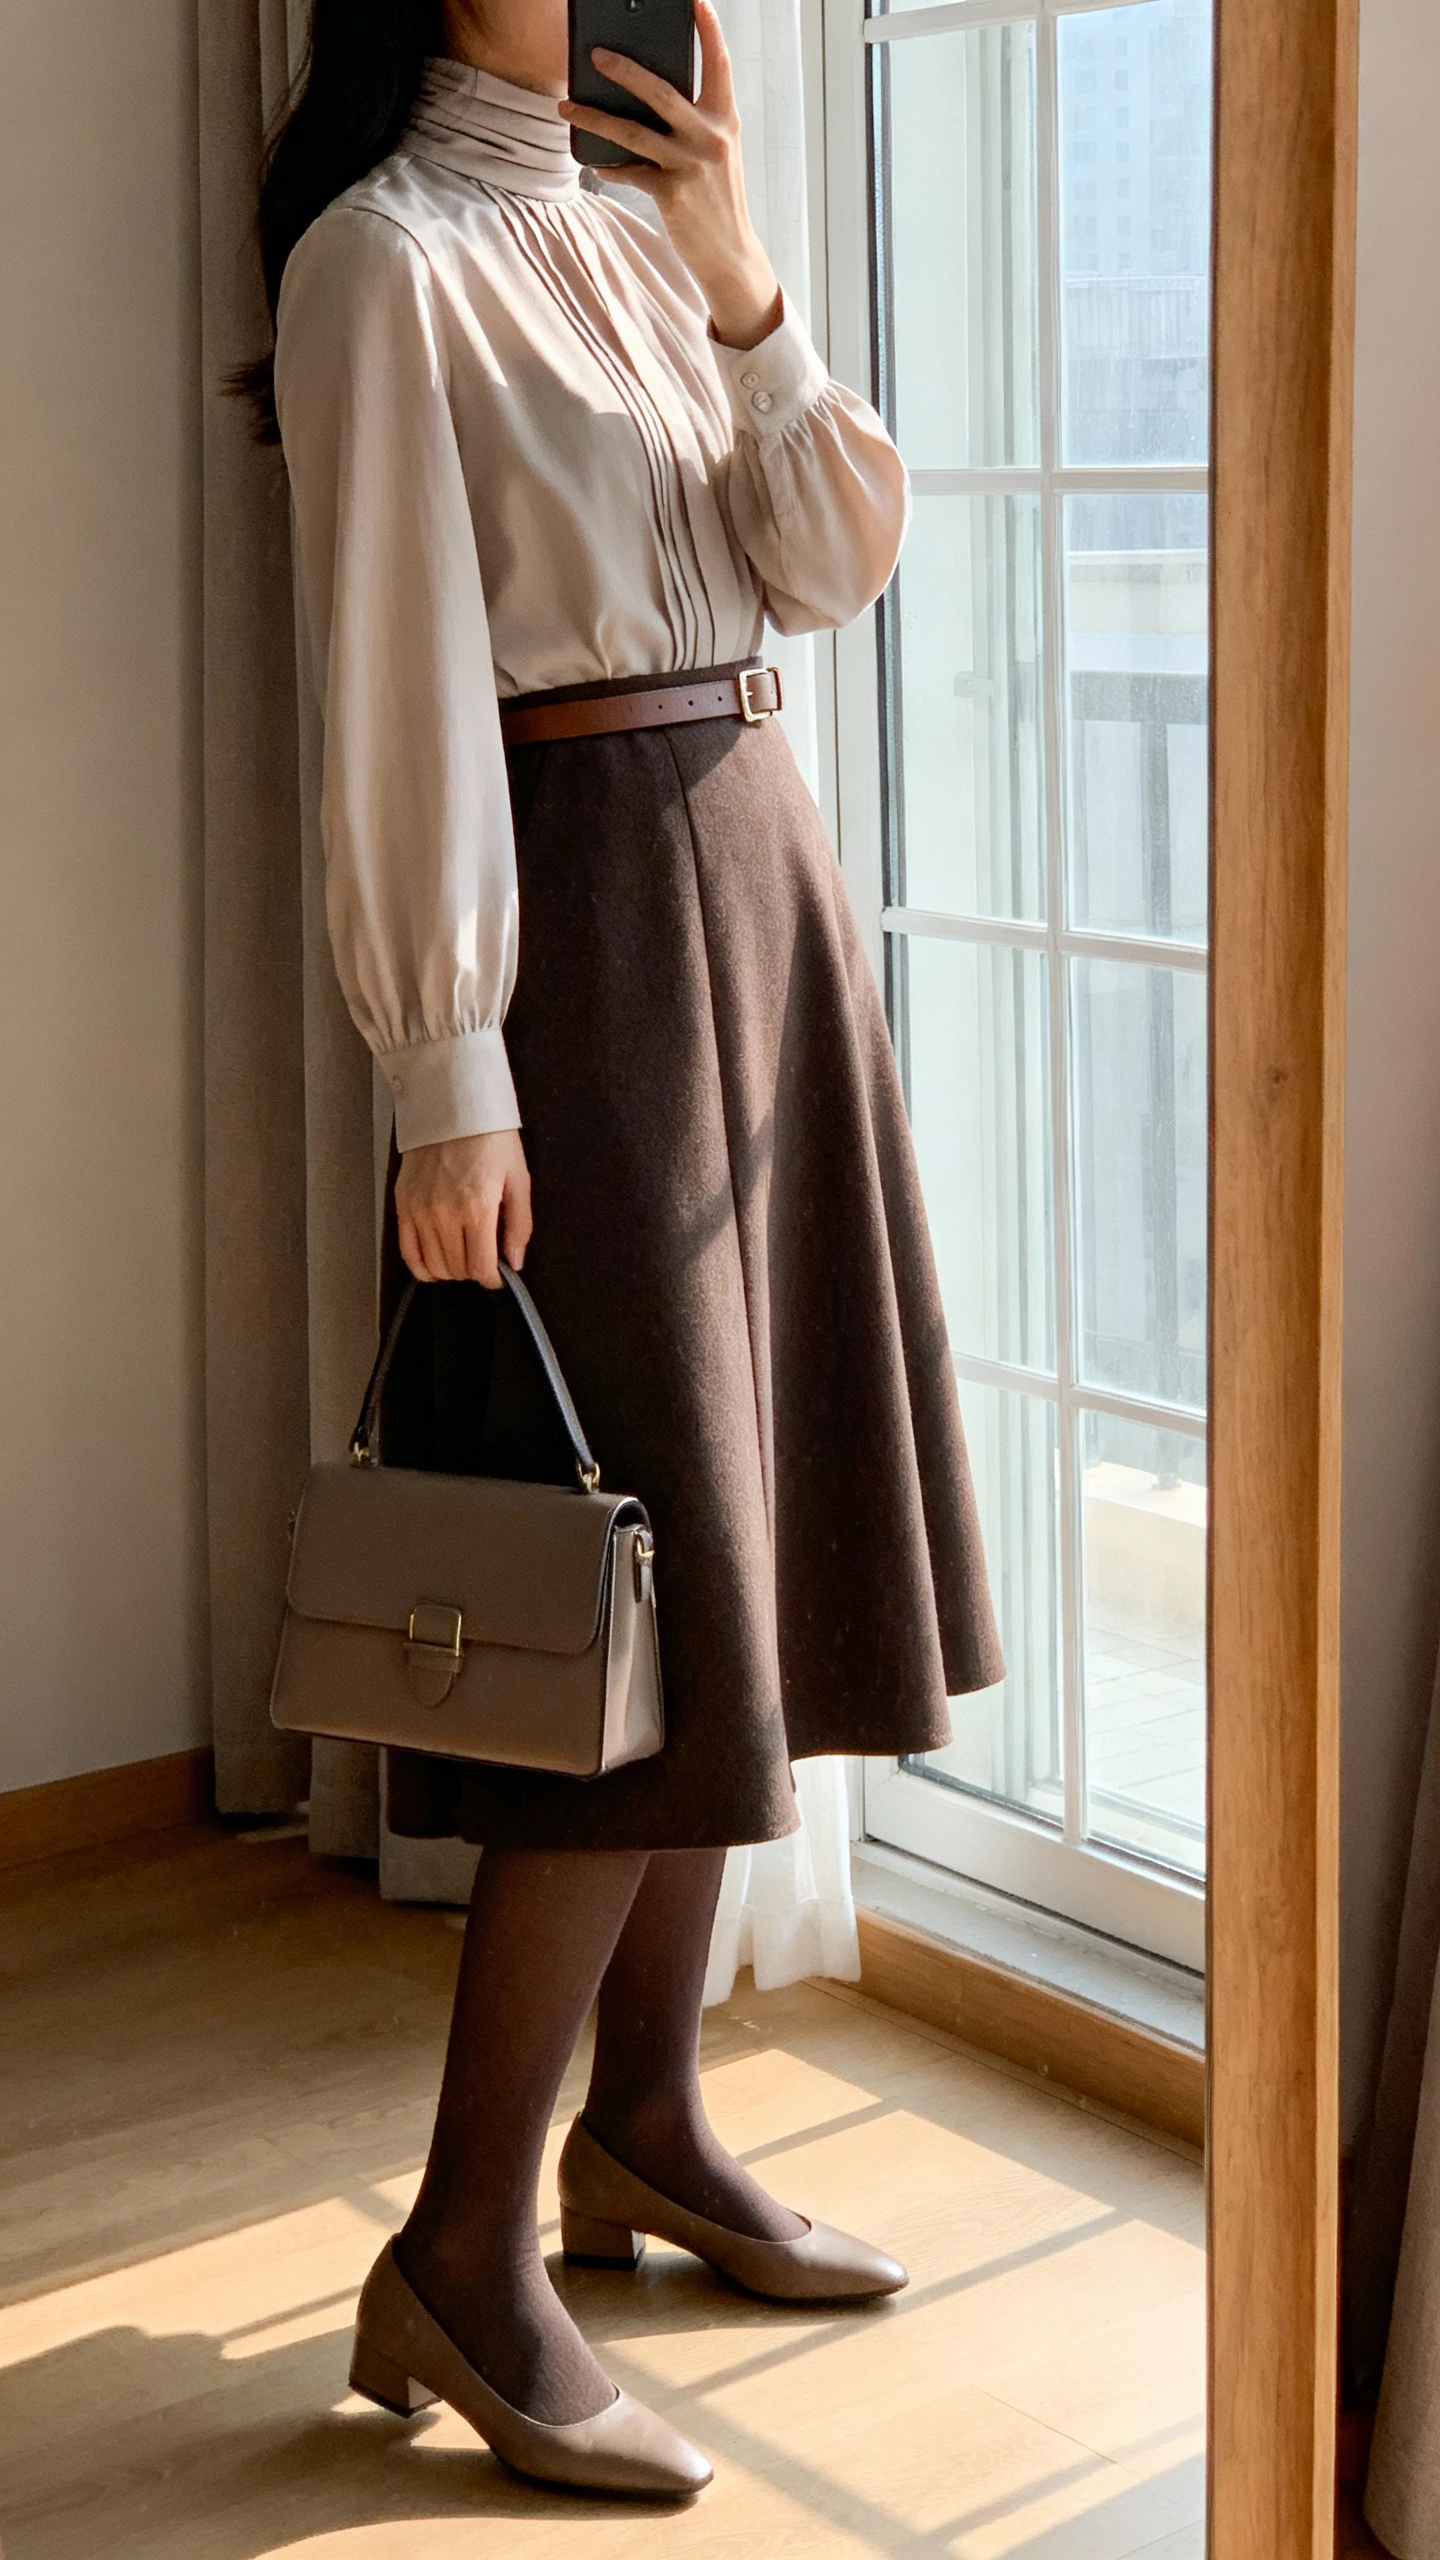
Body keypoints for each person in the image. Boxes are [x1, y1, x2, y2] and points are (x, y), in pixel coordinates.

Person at [253, 0, 1003, 2500]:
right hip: (575, 927)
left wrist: (744, 274)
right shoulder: (384, 263)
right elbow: (388, 690)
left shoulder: (632, 222)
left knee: (746, 1554)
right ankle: (463, 2250)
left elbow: (832, 556)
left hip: (757, 881)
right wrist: (441, 1064)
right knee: (636, 1578)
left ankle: (652, 2124)